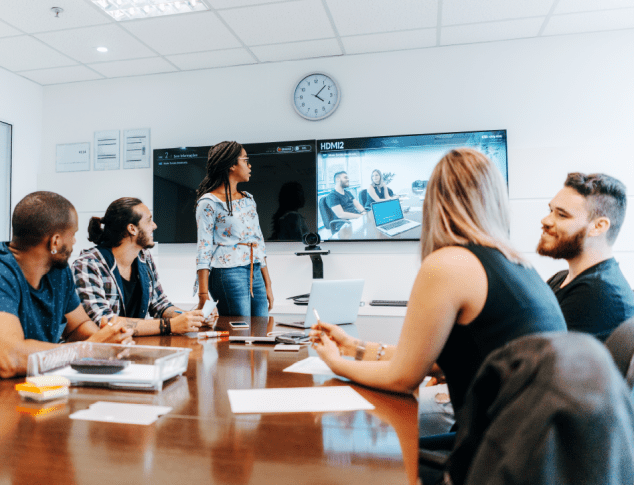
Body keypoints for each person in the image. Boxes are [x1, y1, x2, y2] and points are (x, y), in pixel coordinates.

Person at [311, 148, 566, 417]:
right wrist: (353, 346)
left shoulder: (448, 264)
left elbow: (402, 378)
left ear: (434, 201)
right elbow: (427, 362)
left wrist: (335, 363)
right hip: (535, 443)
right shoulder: (515, 262)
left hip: (495, 450)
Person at [0, 192, 132, 386]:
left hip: (15, 394)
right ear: (56, 241)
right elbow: (7, 360)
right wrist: (90, 349)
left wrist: (106, 340)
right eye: (73, 234)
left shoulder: (58, 272)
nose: (75, 241)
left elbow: (78, 326)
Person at [72, 197, 213, 336]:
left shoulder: (144, 257)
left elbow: (160, 305)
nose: (154, 225)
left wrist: (192, 318)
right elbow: (104, 323)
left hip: (133, 347)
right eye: (149, 220)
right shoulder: (88, 265)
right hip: (103, 353)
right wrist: (169, 325)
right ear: (132, 228)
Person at [537, 172, 634, 341]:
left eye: (562, 215)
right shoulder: (561, 279)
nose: (545, 220)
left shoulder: (598, 295)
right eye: (550, 210)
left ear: (598, 226)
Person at [195, 141, 274, 316]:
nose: (249, 165)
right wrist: (202, 294)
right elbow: (204, 247)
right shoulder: (209, 202)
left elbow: (259, 242)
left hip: (255, 270)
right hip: (227, 272)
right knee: (238, 332)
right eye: (245, 160)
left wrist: (268, 284)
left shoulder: (248, 199)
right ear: (231, 165)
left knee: (261, 328)